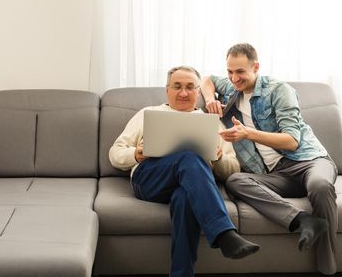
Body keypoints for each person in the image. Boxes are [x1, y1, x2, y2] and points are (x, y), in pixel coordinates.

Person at [109, 65, 259, 277]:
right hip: (151, 178)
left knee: (185, 198)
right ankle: (224, 233)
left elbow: (233, 169)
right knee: (189, 157)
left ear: (198, 92)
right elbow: (115, 153)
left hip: (192, 187)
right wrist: (136, 154)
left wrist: (218, 158)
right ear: (167, 90)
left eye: (190, 87)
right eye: (177, 86)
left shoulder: (213, 122)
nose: (183, 92)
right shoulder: (148, 114)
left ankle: (181, 274)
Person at [201, 44, 338, 275]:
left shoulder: (279, 90)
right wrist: (209, 99)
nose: (234, 78)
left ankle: (327, 269)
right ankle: (303, 220)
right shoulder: (233, 87)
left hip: (310, 161)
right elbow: (207, 79)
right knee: (236, 181)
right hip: (277, 174)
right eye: (230, 72)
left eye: (240, 72)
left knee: (320, 187)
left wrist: (247, 133)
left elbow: (292, 141)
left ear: (256, 67)